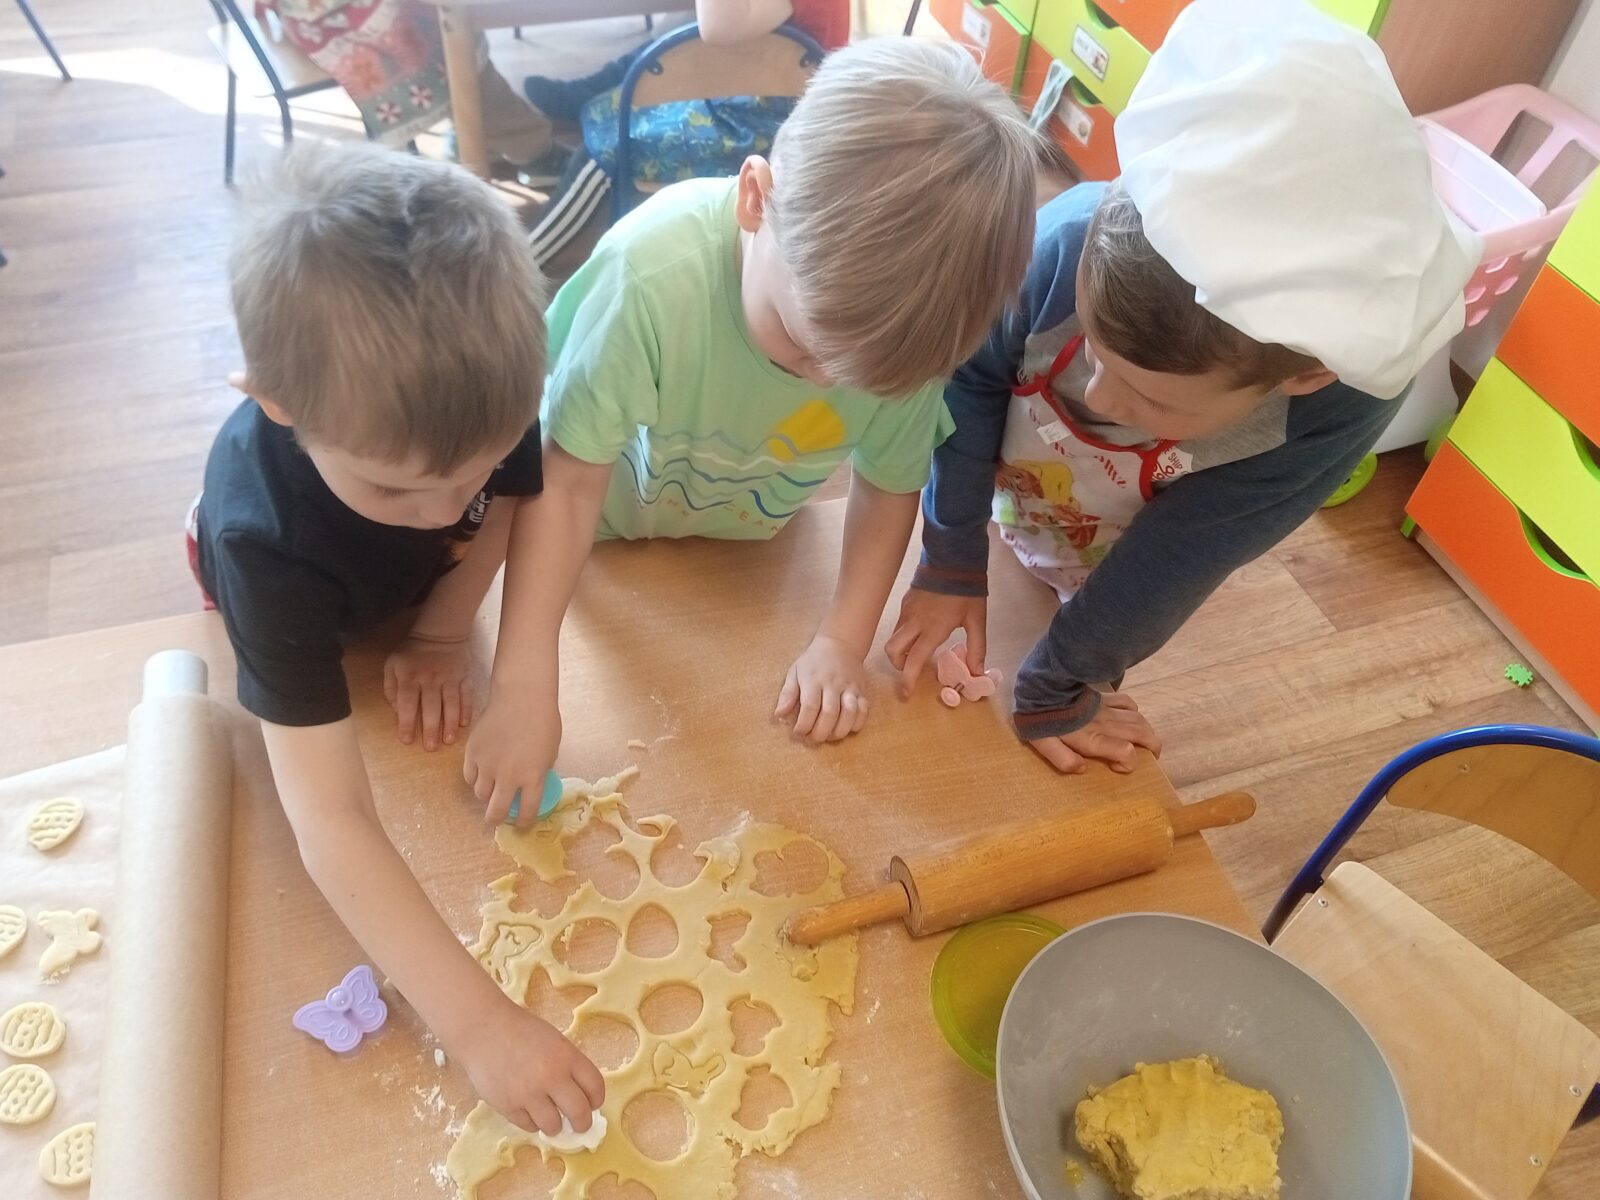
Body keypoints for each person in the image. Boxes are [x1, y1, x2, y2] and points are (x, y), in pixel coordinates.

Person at [885, 0, 1479, 775]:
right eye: (1093, 351)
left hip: (1117, 542)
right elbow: (968, 392)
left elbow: (1186, 550)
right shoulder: (1065, 240)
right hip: (1024, 496)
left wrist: (1063, 677)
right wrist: (952, 555)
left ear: (1302, 378)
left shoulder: (1337, 406)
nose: (1100, 400)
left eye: (1155, 402)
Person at [460, 38, 1040, 819]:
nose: (824, 382)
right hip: (595, 538)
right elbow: (563, 486)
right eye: (804, 346)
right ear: (755, 201)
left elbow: (888, 486)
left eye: (861, 378)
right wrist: (521, 687)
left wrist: (842, 641)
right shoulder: (648, 280)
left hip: (742, 553)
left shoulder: (910, 336)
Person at [190, 144, 604, 1138]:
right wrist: (480, 1026)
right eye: (395, 486)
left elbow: (505, 508)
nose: (444, 508)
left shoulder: (477, 398)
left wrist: (445, 633)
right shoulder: (262, 545)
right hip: (295, 594)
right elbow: (328, 816)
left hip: (409, 599)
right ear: (275, 402)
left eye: (471, 472)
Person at [524, 0, 851, 269]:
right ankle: (584, 97)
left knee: (607, 144)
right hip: (776, 113)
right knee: (622, 100)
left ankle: (524, 265)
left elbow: (716, 28)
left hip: (760, 129)